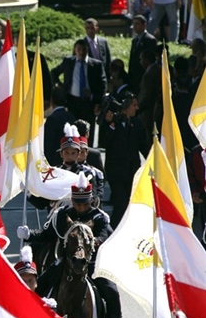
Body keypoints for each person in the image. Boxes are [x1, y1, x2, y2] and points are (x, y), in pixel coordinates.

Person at [19, 174, 126, 318]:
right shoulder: (62, 215)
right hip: (66, 262)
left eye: (84, 204)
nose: (81, 207)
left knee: (111, 291)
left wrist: (93, 242)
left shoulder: (100, 217)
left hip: (91, 264)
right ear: (72, 200)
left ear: (91, 200)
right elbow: (47, 234)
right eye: (77, 204)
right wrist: (29, 234)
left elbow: (106, 235)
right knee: (41, 284)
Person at [99, 91, 149, 228]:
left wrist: (153, 161)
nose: (136, 108)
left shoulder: (137, 123)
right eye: (134, 105)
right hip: (116, 173)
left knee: (131, 204)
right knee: (120, 203)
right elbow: (103, 142)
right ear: (125, 106)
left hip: (132, 172)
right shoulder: (110, 123)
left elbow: (144, 146)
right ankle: (113, 231)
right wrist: (111, 126)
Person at [50, 38, 106, 133]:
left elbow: (103, 85)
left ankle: (87, 147)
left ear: (87, 50)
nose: (81, 52)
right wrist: (60, 85)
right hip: (72, 101)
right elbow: (54, 72)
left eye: (84, 49)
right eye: (79, 49)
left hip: (88, 103)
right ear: (75, 50)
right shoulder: (68, 62)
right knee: (72, 129)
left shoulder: (96, 65)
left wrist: (97, 100)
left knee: (88, 130)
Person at [128, 15, 158, 95]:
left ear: (144, 25)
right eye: (134, 24)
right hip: (135, 76)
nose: (135, 27)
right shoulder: (135, 40)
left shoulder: (150, 40)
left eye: (137, 24)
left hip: (144, 74)